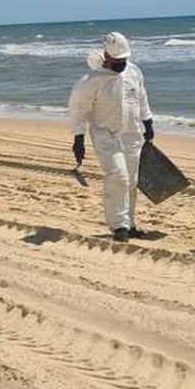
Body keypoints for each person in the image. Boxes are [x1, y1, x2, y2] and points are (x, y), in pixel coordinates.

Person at [68, 32, 156, 242]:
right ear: (106, 57)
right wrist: (78, 137)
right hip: (104, 134)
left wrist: (148, 122)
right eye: (117, 61)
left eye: (123, 60)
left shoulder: (134, 72)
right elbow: (78, 109)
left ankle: (130, 224)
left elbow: (141, 97)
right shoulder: (91, 81)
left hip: (132, 133)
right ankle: (119, 226)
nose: (121, 64)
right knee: (119, 176)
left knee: (132, 181)